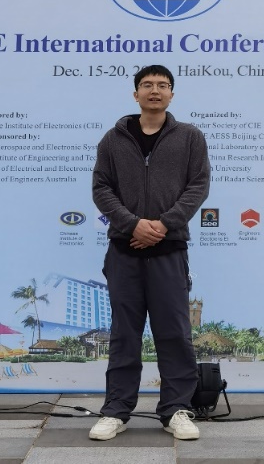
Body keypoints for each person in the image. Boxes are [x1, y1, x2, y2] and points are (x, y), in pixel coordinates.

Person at [89, 65, 211, 441]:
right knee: (124, 334)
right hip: (123, 251)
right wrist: (132, 225)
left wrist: (161, 226)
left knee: (174, 333)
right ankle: (116, 410)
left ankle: (176, 409)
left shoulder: (189, 137)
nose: (154, 90)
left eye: (162, 85)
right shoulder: (113, 139)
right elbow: (101, 188)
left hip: (169, 250)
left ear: (172, 94)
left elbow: (198, 186)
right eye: (147, 85)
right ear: (136, 94)